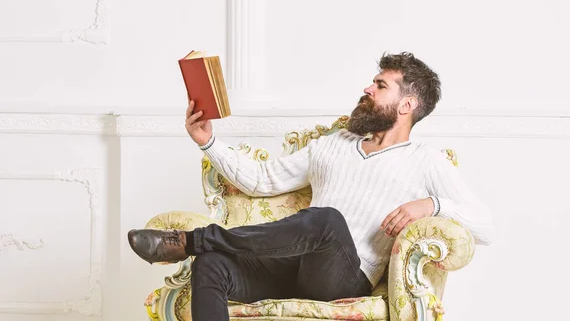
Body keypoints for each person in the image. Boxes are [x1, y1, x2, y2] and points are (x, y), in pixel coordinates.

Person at [128, 52, 493, 321]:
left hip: (344, 278)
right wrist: (207, 141)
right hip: (290, 266)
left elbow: (485, 225)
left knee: (326, 221)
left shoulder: (426, 160)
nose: (367, 88)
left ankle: (190, 241)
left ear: (407, 105)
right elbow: (262, 179)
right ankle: (201, 247)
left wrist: (430, 205)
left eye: (380, 86)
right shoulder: (334, 143)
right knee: (211, 264)